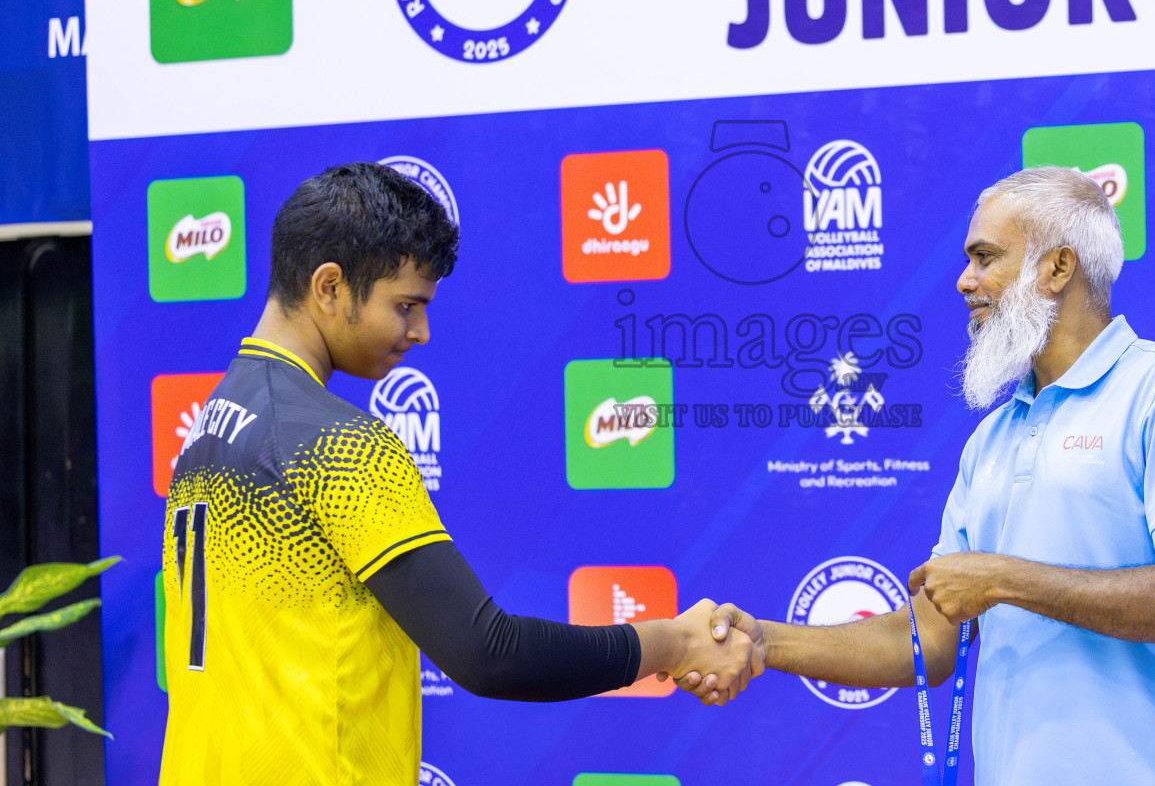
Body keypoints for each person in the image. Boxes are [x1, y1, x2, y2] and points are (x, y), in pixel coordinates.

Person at [159, 162, 757, 786]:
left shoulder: (212, 421)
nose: (420, 332)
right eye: (406, 306)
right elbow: (490, 654)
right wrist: (673, 643)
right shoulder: (338, 446)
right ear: (329, 286)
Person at [691, 166, 1155, 786]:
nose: (964, 280)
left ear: (1058, 268)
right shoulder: (992, 437)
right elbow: (931, 640)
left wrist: (1001, 579)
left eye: (985, 258)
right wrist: (766, 643)